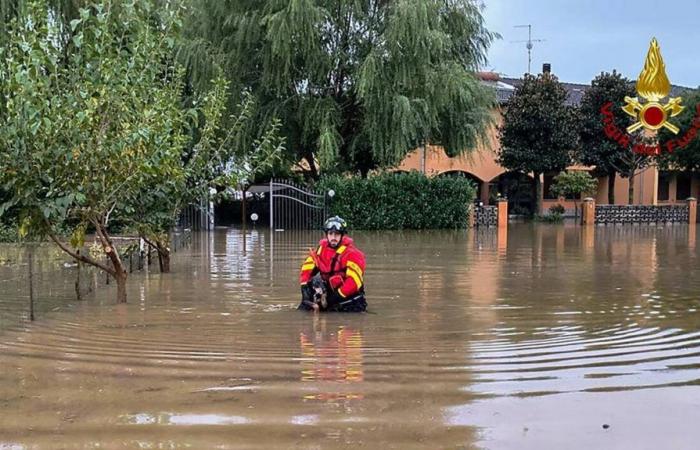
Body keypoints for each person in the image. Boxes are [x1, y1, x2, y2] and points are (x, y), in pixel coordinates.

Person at [298, 216, 367, 312]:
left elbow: (354, 281)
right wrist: (304, 288)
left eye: (337, 234)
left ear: (342, 235)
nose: (333, 238)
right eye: (330, 234)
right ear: (326, 234)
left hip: (350, 302)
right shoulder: (320, 250)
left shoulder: (353, 254)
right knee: (303, 310)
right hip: (329, 298)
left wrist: (334, 298)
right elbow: (306, 268)